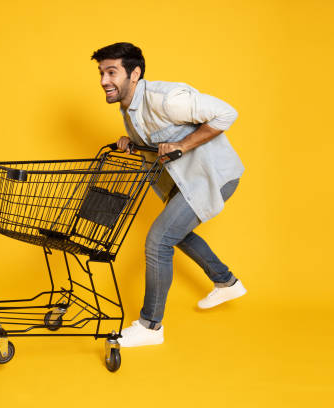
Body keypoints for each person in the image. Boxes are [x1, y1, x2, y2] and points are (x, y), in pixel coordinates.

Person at [91, 42, 247, 347]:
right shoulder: (128, 105)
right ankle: (226, 282)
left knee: (159, 241)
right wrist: (130, 143)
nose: (103, 81)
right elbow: (157, 141)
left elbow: (227, 113)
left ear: (133, 73)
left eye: (112, 72)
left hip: (211, 177)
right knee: (176, 234)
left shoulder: (167, 99)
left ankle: (151, 326)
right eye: (100, 73)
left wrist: (184, 145)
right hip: (182, 181)